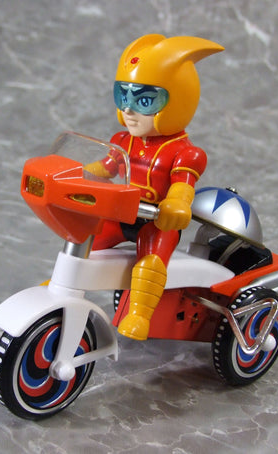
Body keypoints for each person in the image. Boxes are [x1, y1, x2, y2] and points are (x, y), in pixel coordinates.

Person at [88, 34, 224, 340]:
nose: (130, 110)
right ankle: (63, 287)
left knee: (149, 264)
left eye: (144, 100)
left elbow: (182, 187)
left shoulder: (186, 153)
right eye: (123, 96)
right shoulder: (122, 141)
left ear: (177, 102)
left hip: (157, 222)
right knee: (86, 239)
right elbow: (105, 168)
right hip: (122, 214)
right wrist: (79, 173)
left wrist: (176, 205)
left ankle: (139, 315)